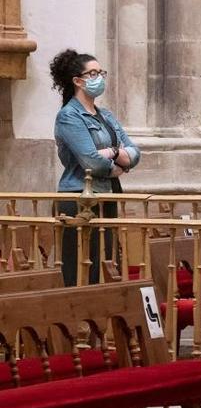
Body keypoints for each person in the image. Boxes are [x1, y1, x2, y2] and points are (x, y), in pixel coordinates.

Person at [51, 49, 140, 286]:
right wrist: (115, 159)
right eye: (93, 73)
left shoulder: (106, 115)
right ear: (77, 81)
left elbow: (134, 153)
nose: (99, 77)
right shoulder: (69, 116)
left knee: (108, 263)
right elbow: (91, 161)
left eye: (101, 72)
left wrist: (112, 155)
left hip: (108, 193)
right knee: (83, 268)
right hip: (80, 197)